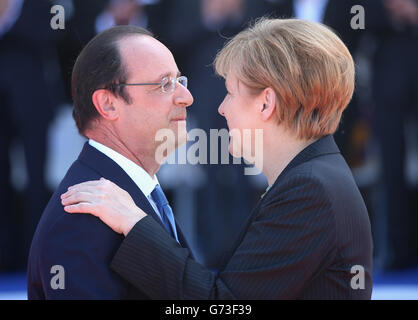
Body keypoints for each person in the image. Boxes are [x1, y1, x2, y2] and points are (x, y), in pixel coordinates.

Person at [61, 18, 373, 299]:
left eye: (231, 92)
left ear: (266, 103)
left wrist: (135, 222)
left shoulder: (309, 190)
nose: (222, 108)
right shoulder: (313, 179)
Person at [27, 25, 194, 299]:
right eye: (165, 84)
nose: (186, 97)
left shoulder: (139, 196)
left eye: (180, 81)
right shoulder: (77, 224)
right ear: (108, 105)